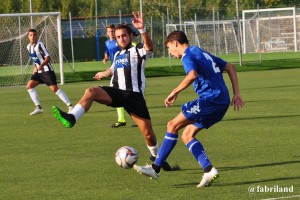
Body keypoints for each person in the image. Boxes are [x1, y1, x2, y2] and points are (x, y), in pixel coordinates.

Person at [52, 12, 173, 171]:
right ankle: (72, 117)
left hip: (133, 96)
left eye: (124, 36)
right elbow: (112, 69)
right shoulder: (117, 54)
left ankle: (156, 156)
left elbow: (149, 47)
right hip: (117, 92)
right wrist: (104, 73)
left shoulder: (137, 50)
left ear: (130, 35)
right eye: (118, 37)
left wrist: (142, 30)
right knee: (91, 91)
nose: (121, 39)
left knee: (148, 134)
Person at [134, 30, 245, 187]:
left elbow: (192, 75)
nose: (170, 52)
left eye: (169, 48)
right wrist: (237, 94)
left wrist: (174, 92)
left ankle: (155, 168)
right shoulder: (199, 51)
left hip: (210, 100)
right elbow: (230, 67)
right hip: (222, 102)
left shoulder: (187, 55)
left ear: (175, 43)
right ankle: (208, 170)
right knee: (187, 134)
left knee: (172, 125)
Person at [26, 29, 73, 116]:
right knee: (29, 86)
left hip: (47, 71)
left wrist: (41, 65)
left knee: (54, 89)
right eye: (31, 35)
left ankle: (70, 106)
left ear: (37, 36)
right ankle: (38, 107)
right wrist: (35, 67)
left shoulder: (40, 45)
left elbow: (48, 58)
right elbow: (35, 59)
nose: (33, 37)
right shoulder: (28, 47)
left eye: (34, 35)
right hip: (38, 72)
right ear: (28, 36)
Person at [102, 24, 126, 128]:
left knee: (116, 91)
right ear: (107, 33)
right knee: (118, 91)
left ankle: (122, 119)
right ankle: (122, 119)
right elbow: (106, 52)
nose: (111, 33)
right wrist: (105, 58)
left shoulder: (119, 40)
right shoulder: (107, 42)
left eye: (112, 31)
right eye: (109, 31)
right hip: (114, 66)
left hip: (121, 65)